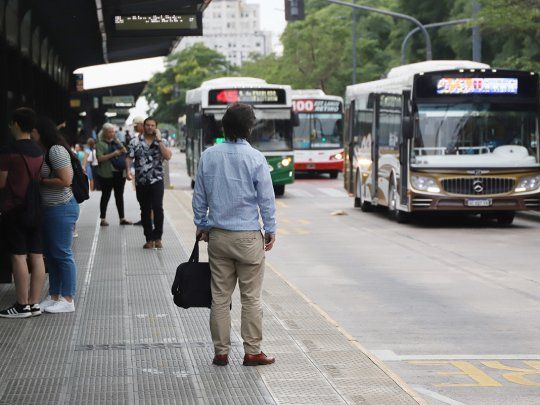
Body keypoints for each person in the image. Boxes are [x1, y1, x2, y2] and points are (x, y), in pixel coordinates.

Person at [192, 103, 277, 367]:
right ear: (249, 127)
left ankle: (221, 352)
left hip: (218, 236)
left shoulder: (209, 155)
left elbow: (199, 197)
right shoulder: (255, 158)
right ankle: (252, 352)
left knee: (220, 296)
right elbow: (266, 199)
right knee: (251, 297)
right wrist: (271, 229)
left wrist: (202, 224)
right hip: (248, 237)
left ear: (224, 126)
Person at [0, 108, 46, 318]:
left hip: (14, 208)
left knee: (18, 256)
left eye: (11, 123)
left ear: (16, 124)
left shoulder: (8, 150)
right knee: (36, 254)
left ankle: (21, 305)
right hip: (36, 207)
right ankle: (34, 303)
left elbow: (2, 182)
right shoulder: (39, 150)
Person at [33, 117, 80, 313]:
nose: (31, 135)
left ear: (41, 131)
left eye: (33, 131)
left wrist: (40, 181)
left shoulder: (56, 150)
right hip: (51, 208)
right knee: (52, 255)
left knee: (62, 253)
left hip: (61, 207)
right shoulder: (45, 150)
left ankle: (68, 299)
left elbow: (66, 180)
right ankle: (54, 296)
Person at [126, 117, 172, 249]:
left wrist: (159, 140)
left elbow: (168, 156)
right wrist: (128, 171)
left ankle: (158, 238)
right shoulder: (134, 141)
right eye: (147, 125)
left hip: (157, 180)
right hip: (141, 181)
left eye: (152, 125)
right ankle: (149, 239)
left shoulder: (162, 142)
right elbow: (129, 157)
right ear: (143, 126)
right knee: (145, 210)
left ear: (156, 127)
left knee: (158, 208)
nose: (150, 127)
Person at [95, 123, 132, 226]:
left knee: (119, 195)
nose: (112, 133)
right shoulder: (100, 144)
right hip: (107, 174)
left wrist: (117, 141)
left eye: (113, 132)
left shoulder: (116, 142)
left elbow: (125, 151)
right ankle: (103, 219)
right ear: (104, 132)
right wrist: (113, 154)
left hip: (120, 173)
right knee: (106, 195)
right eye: (110, 132)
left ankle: (122, 218)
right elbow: (99, 158)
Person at [131, 116, 145, 226]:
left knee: (152, 201)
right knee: (141, 199)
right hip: (139, 175)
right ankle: (144, 218)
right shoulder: (136, 140)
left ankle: (150, 219)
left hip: (152, 176)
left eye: (136, 126)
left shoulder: (153, 138)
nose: (135, 128)